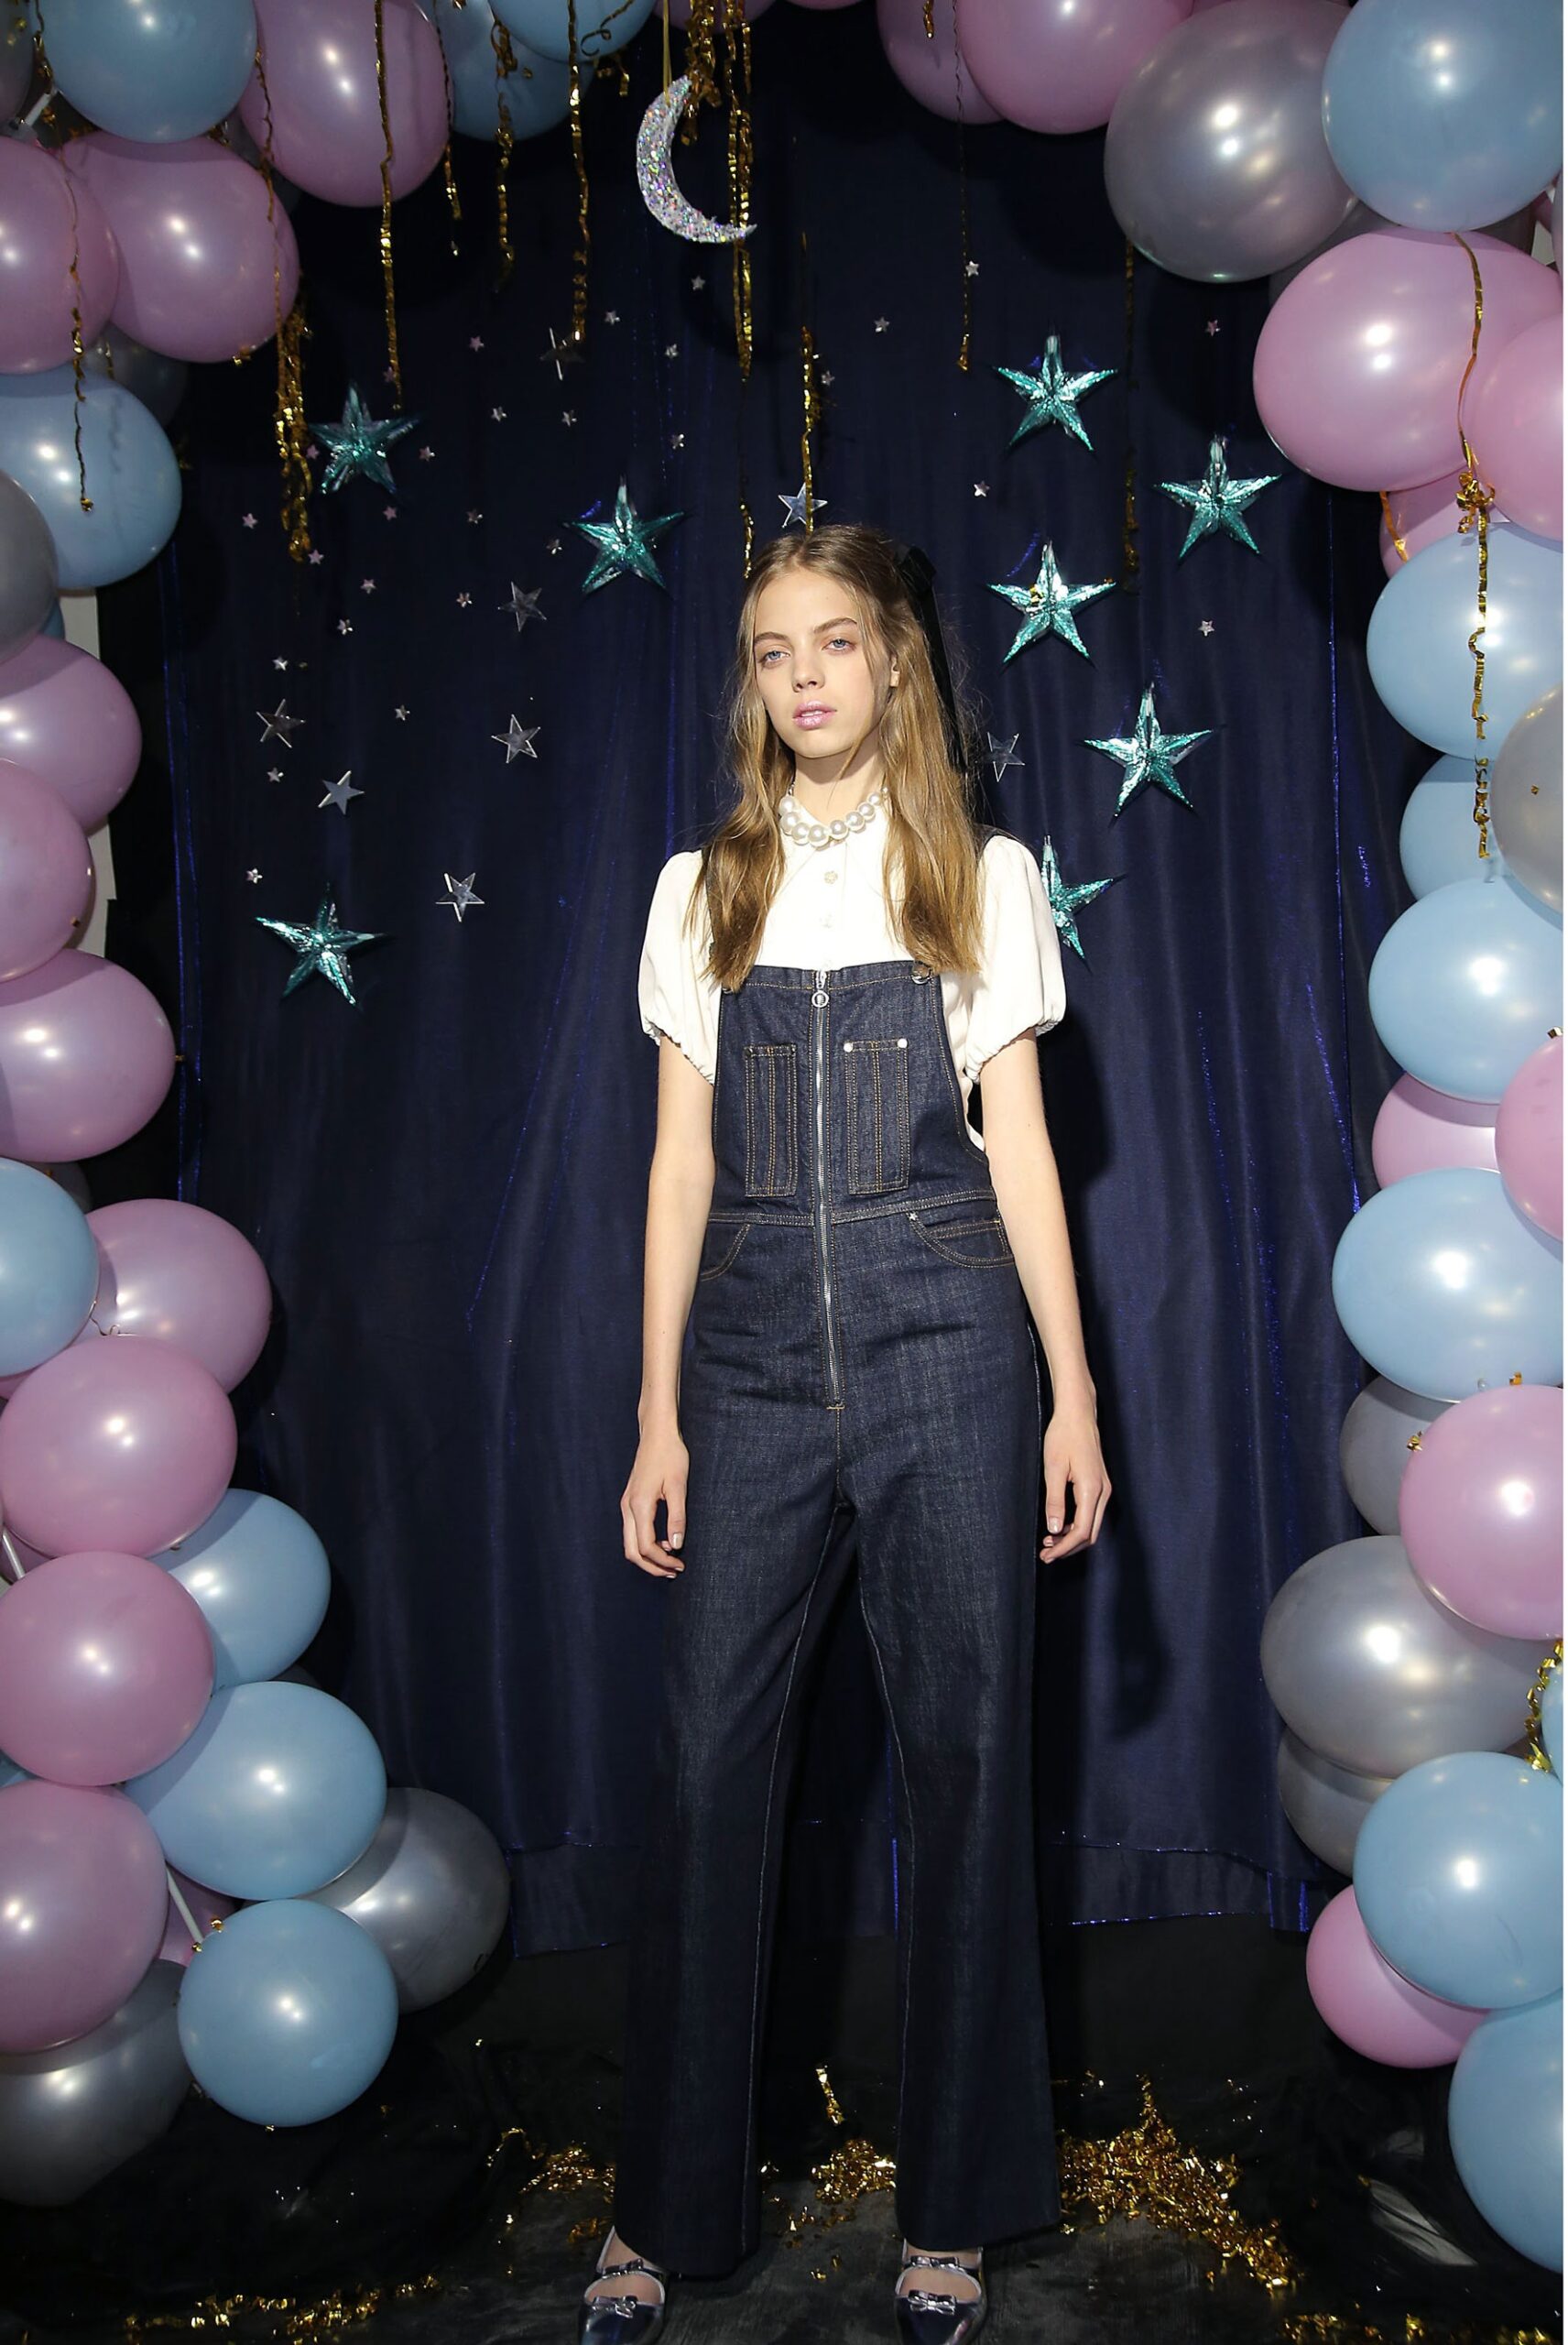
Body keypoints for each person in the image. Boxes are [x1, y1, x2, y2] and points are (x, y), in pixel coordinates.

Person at [580, 523, 1110, 2344]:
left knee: (967, 1754)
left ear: (895, 660)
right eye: (769, 647)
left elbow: (1023, 1148)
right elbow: (673, 1169)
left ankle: (950, 2207)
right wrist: (655, 1412)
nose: (801, 675)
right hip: (738, 1353)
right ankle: (666, 2203)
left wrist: (1072, 1390)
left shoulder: (980, 869)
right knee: (711, 1763)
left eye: (834, 641)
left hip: (945, 1331)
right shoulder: (697, 883)